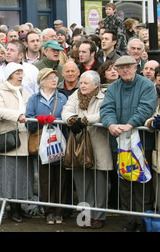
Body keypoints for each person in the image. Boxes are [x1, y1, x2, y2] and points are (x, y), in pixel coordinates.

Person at [100, 55, 156, 232]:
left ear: (135, 67)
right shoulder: (113, 88)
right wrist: (111, 125)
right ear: (116, 69)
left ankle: (142, 221)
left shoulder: (146, 85)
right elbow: (106, 109)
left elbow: (146, 107)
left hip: (141, 142)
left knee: (141, 182)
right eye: (121, 67)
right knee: (124, 182)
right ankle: (129, 221)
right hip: (120, 143)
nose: (125, 70)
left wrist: (130, 124)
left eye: (128, 66)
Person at [61, 70, 113, 229]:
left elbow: (103, 114)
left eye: (85, 83)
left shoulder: (104, 95)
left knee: (100, 182)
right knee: (82, 181)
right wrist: (72, 120)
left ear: (96, 85)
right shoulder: (75, 95)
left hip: (98, 142)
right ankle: (86, 214)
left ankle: (98, 215)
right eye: (81, 83)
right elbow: (66, 110)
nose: (82, 86)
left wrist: (85, 120)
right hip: (79, 144)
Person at [25, 68, 68, 225]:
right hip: (43, 145)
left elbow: (68, 116)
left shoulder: (62, 98)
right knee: (45, 179)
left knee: (61, 179)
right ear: (42, 82)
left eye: (55, 78)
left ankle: (59, 211)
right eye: (50, 78)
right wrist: (39, 119)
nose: (54, 80)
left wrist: (56, 120)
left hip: (59, 143)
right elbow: (28, 119)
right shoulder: (34, 99)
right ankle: (48, 211)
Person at [0, 62, 32, 222]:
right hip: (8, 137)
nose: (21, 76)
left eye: (22, 73)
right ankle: (11, 208)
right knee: (8, 175)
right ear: (9, 76)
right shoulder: (0, 91)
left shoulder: (25, 91)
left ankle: (19, 206)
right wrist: (17, 115)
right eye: (17, 73)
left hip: (23, 137)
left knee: (22, 175)